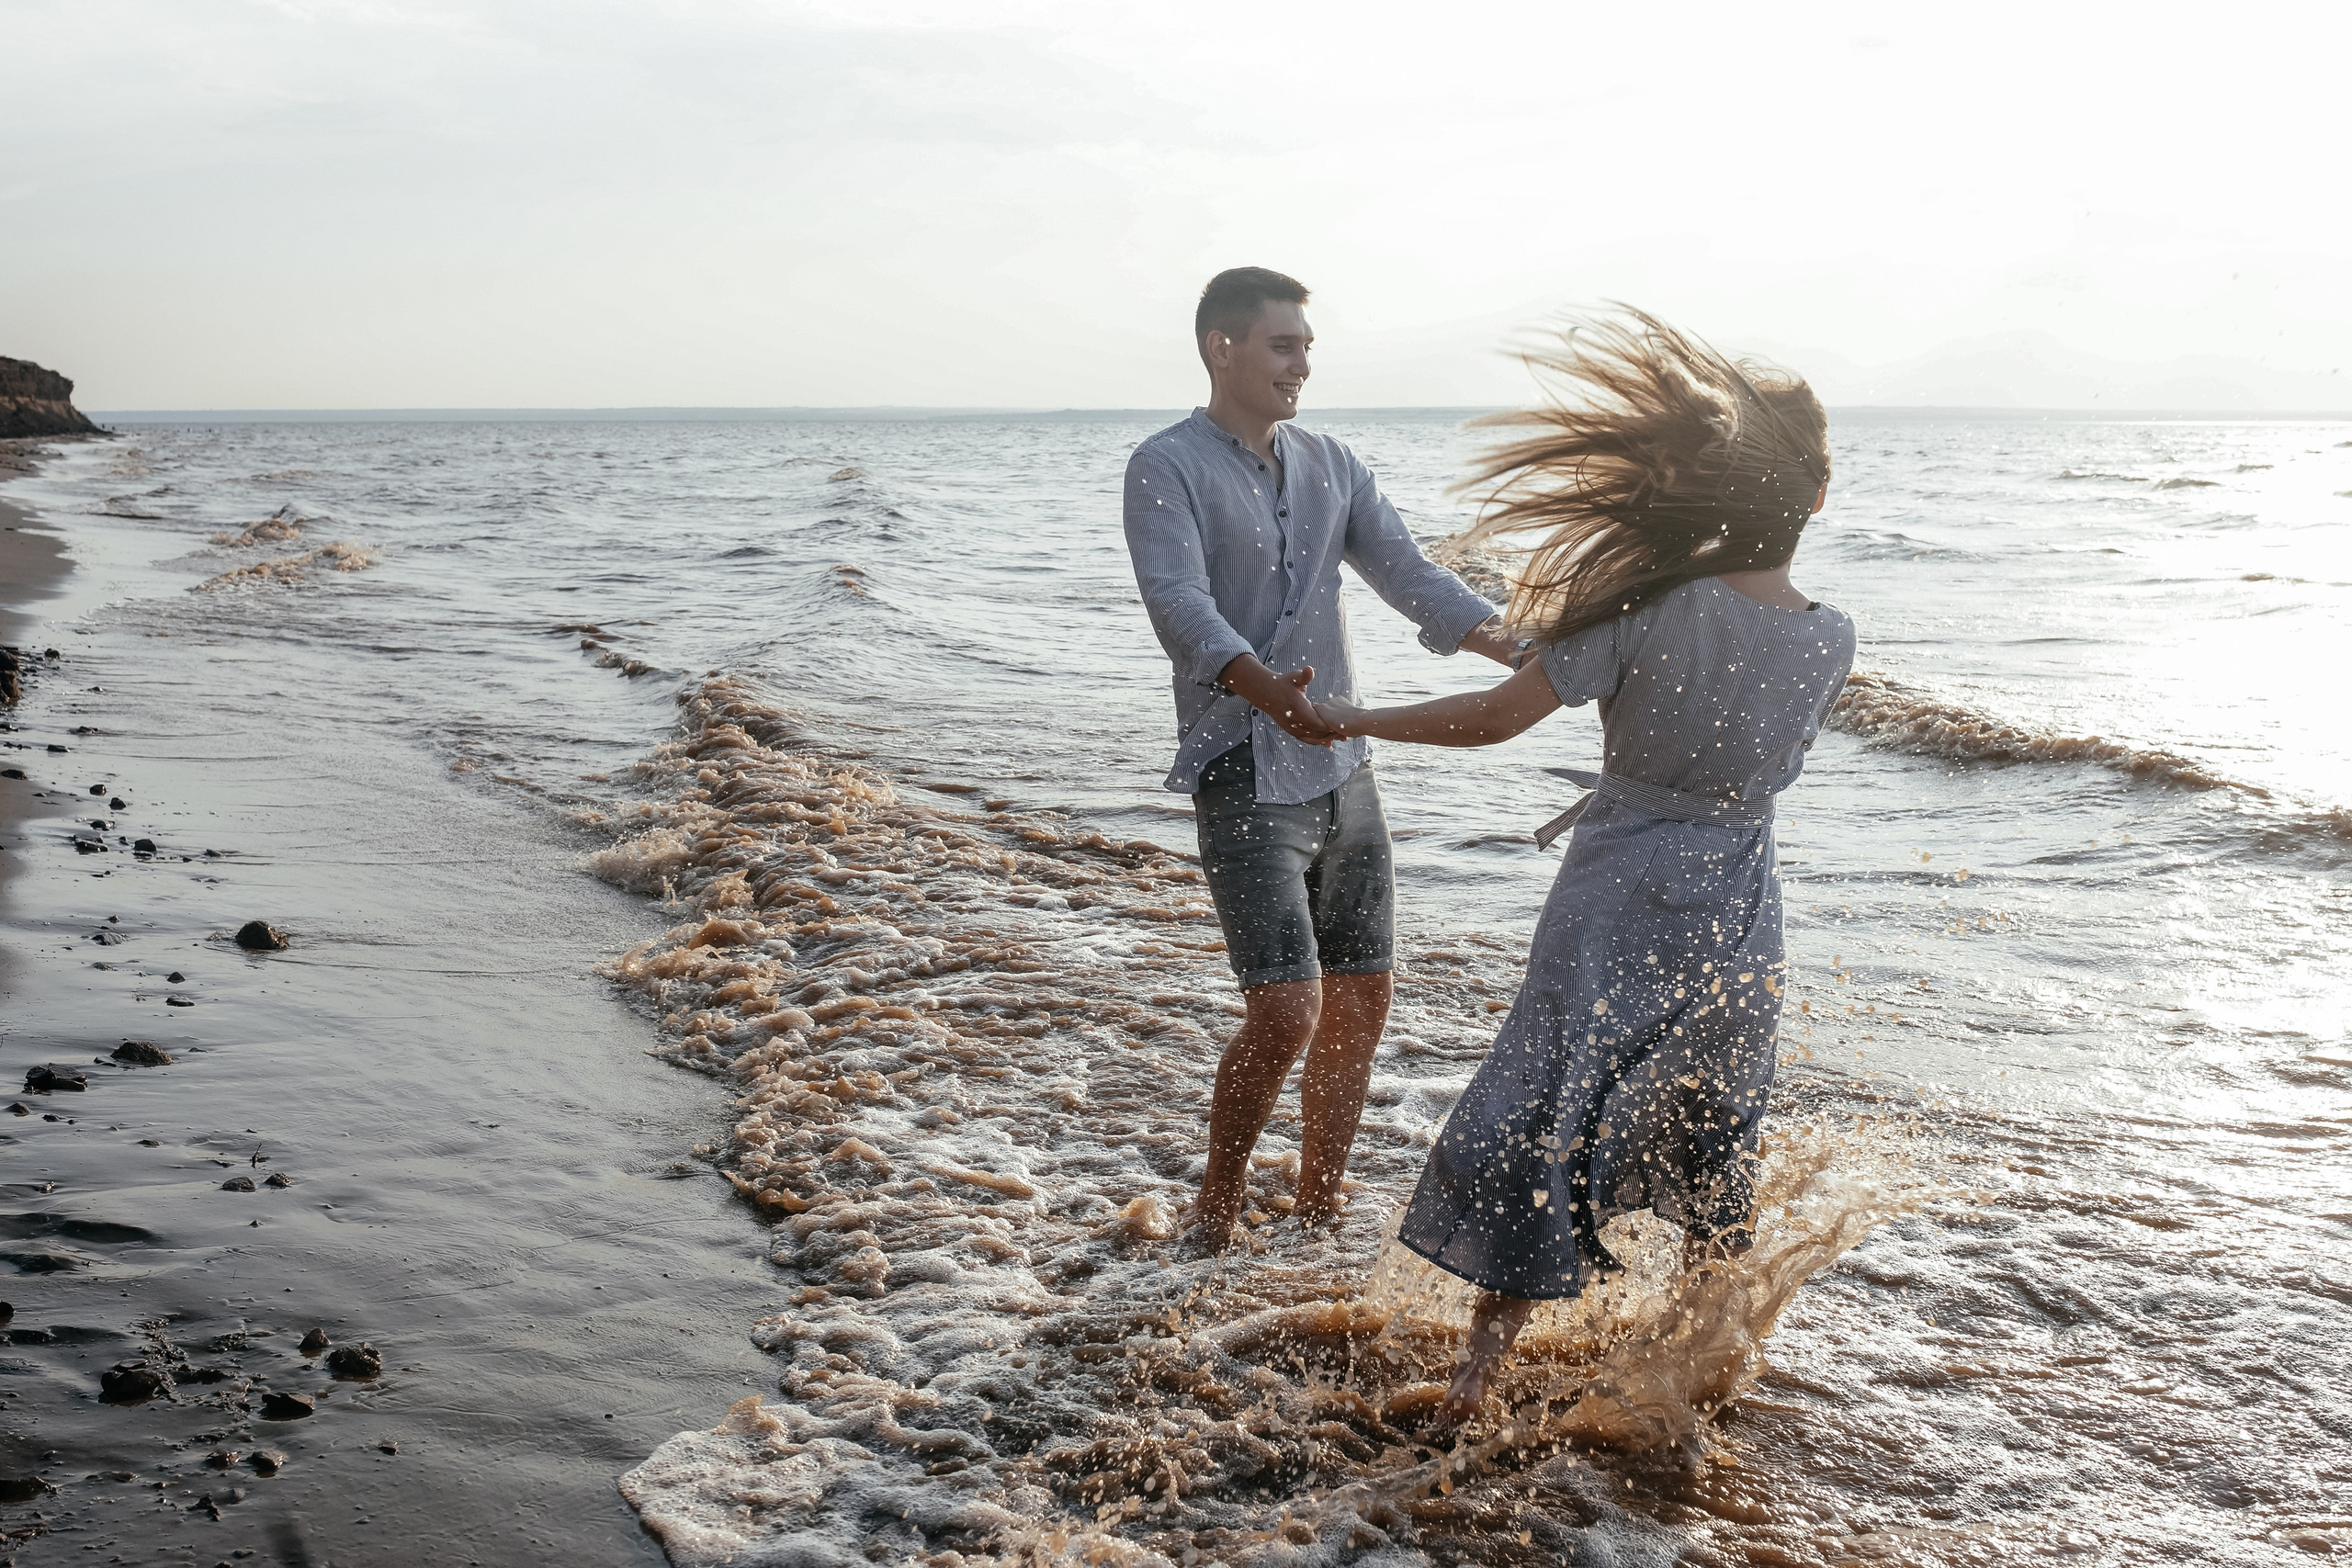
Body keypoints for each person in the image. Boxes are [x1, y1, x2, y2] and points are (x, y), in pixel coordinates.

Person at [1310, 308, 1856, 1426]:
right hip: (1738, 901)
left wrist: (1352, 716)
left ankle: (1473, 1379)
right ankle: (1701, 1381)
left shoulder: (1651, 603)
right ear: (1810, 496)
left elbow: (1493, 718)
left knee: (1551, 1101)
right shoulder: (1830, 634)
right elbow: (1776, 765)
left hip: (1613, 891)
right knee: (1710, 1115)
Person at [1122, 266, 1518, 1251]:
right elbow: (1181, 611)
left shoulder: (1333, 461)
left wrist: (1517, 649)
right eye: (1284, 345)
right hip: (1245, 769)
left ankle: (1318, 1209)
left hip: (1345, 772)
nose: (1303, 363)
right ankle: (1212, 1216)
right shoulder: (1164, 466)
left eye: (1305, 345)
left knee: (1361, 997)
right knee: (1286, 1009)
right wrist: (1272, 695)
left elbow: (1412, 577)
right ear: (1224, 347)